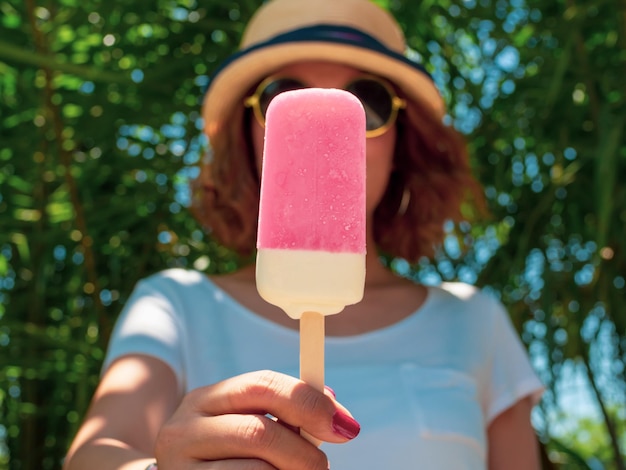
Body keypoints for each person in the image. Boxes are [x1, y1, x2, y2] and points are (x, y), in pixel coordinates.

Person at [64, 0, 544, 469]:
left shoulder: (474, 321)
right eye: (281, 96)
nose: (329, 125)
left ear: (403, 141)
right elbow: (96, 454)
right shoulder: (175, 304)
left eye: (368, 102)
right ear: (246, 141)